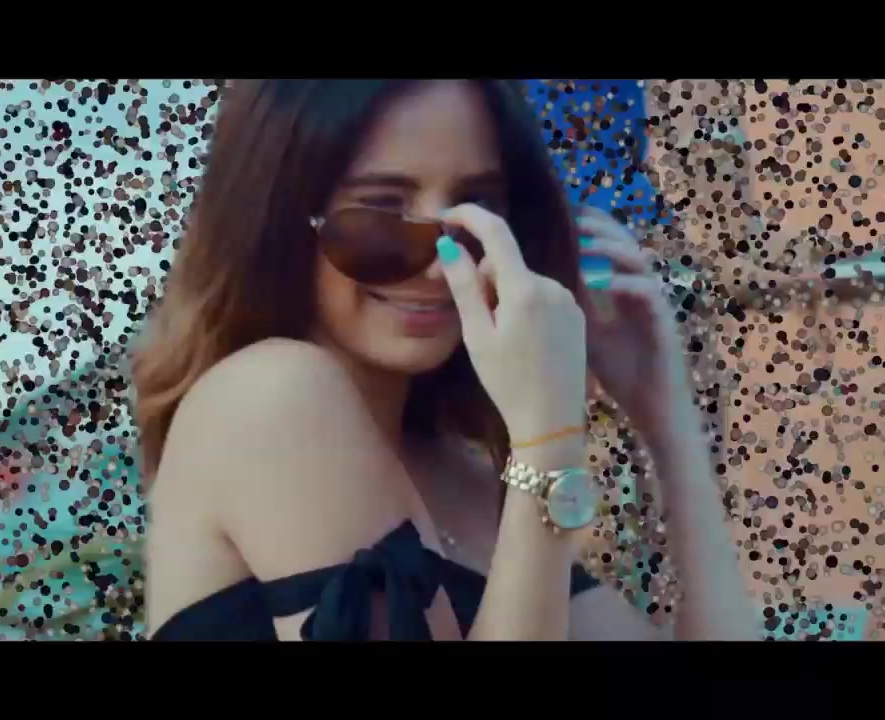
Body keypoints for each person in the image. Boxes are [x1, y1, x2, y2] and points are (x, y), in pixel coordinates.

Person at [132, 79, 757, 641]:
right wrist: (546, 440)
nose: (440, 267)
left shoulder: (465, 474)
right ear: (276, 220)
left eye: (476, 213)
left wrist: (665, 415)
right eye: (382, 212)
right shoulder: (272, 396)